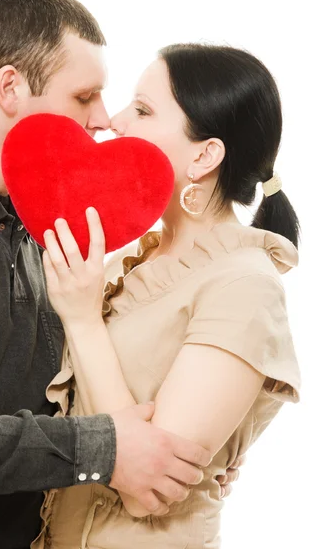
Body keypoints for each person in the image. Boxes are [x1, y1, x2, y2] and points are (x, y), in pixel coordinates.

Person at [0, 0, 237, 549]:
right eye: (84, 96)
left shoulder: (40, 223)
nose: (102, 118)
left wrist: (183, 447)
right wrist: (101, 451)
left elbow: (40, 393)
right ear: (9, 87)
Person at [33, 44, 301, 548]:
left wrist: (84, 319)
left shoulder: (244, 284)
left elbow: (145, 491)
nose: (113, 119)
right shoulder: (127, 263)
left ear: (204, 155)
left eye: (142, 109)